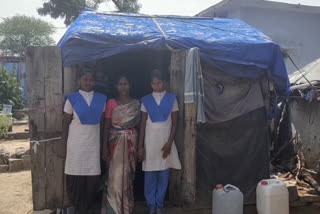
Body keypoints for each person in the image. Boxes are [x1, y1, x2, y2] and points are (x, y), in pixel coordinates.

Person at [61, 70, 107, 214]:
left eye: (90, 79)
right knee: (75, 180)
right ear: (79, 81)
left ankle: (86, 208)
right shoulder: (72, 99)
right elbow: (65, 124)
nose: (88, 82)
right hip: (75, 146)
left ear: (94, 81)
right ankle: (77, 209)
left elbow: (103, 125)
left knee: (92, 180)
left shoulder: (101, 99)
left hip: (93, 146)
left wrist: (103, 146)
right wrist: (63, 146)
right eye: (85, 79)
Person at [138, 69, 182, 214]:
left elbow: (175, 123)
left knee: (164, 176)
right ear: (150, 84)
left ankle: (159, 205)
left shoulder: (171, 99)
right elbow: (143, 125)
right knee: (150, 176)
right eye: (154, 83)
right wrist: (140, 147)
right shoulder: (146, 100)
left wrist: (170, 143)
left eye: (159, 82)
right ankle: (151, 205)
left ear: (165, 82)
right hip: (150, 144)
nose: (156, 85)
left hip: (166, 144)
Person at [101, 74, 140, 214]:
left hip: (131, 144)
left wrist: (140, 147)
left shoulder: (136, 104)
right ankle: (114, 210)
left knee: (128, 177)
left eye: (126, 84)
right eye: (120, 84)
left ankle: (126, 208)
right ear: (116, 86)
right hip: (114, 143)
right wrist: (104, 148)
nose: (123, 87)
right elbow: (106, 126)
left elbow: (139, 127)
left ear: (130, 85)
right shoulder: (111, 102)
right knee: (114, 177)